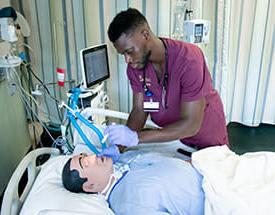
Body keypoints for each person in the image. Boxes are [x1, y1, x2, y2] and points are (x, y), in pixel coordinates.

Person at [104, 8, 228, 154]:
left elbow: (191, 125)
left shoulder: (189, 59)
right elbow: (139, 110)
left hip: (206, 138)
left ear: (145, 35)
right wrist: (119, 147)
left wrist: (136, 137)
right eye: (122, 54)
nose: (127, 60)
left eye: (129, 51)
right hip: (175, 139)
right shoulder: (135, 69)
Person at [62, 151, 204, 215]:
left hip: (208, 171)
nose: (94, 156)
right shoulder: (127, 204)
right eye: (86, 163)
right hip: (212, 202)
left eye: (86, 155)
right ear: (90, 186)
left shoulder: (126, 160)